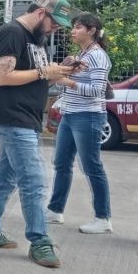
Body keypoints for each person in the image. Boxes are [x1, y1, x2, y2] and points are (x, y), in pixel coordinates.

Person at [0, 0, 75, 269]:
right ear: (41, 13)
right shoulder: (12, 33)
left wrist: (64, 73)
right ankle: (40, 240)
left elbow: (36, 73)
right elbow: (2, 77)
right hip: (13, 119)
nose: (57, 28)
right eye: (55, 22)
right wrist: (45, 72)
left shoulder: (35, 39)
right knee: (34, 180)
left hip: (26, 118)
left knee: (5, 179)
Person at [46, 12, 114, 234]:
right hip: (71, 114)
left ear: (92, 30)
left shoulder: (97, 56)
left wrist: (67, 81)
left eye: (78, 27)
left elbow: (97, 90)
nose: (73, 31)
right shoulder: (82, 54)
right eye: (73, 27)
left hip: (89, 116)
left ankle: (103, 218)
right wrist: (64, 74)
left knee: (91, 166)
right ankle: (55, 211)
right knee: (61, 163)